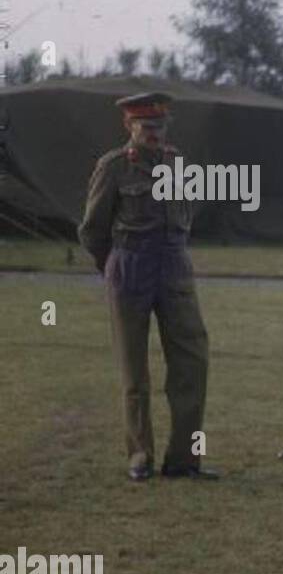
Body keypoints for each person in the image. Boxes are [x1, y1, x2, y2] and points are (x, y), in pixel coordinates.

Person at [77, 92, 217, 482]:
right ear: (129, 126)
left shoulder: (178, 163)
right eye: (147, 127)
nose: (155, 134)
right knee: (134, 370)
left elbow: (185, 217)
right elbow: (92, 230)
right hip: (131, 266)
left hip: (174, 266)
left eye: (161, 126)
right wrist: (113, 266)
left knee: (193, 362)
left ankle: (185, 459)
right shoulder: (115, 167)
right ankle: (140, 455)